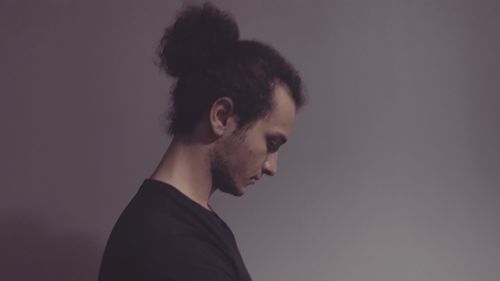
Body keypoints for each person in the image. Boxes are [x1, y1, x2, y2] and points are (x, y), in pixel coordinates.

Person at [98, 3, 305, 281]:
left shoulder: (189, 225)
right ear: (221, 117)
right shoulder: (174, 248)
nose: (271, 166)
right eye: (271, 143)